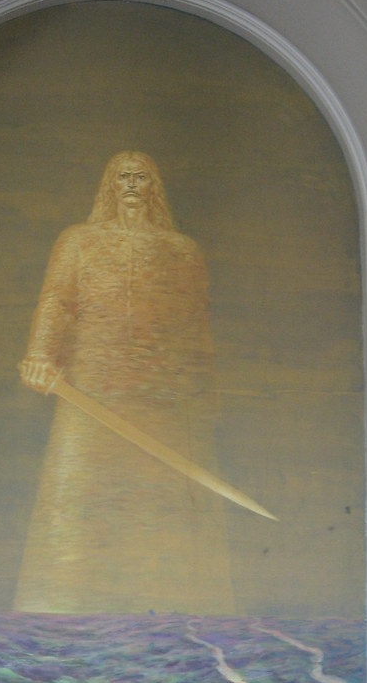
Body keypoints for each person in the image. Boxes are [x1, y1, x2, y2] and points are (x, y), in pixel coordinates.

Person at [14, 151, 235, 614]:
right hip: (88, 393)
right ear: (110, 186)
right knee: (72, 511)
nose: (132, 185)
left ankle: (179, 615)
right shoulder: (78, 241)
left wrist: (204, 398)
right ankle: (55, 616)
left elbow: (195, 327)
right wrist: (40, 356)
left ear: (154, 188)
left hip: (164, 400)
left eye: (141, 177)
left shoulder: (182, 251)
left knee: (168, 513)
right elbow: (56, 302)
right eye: (123, 177)